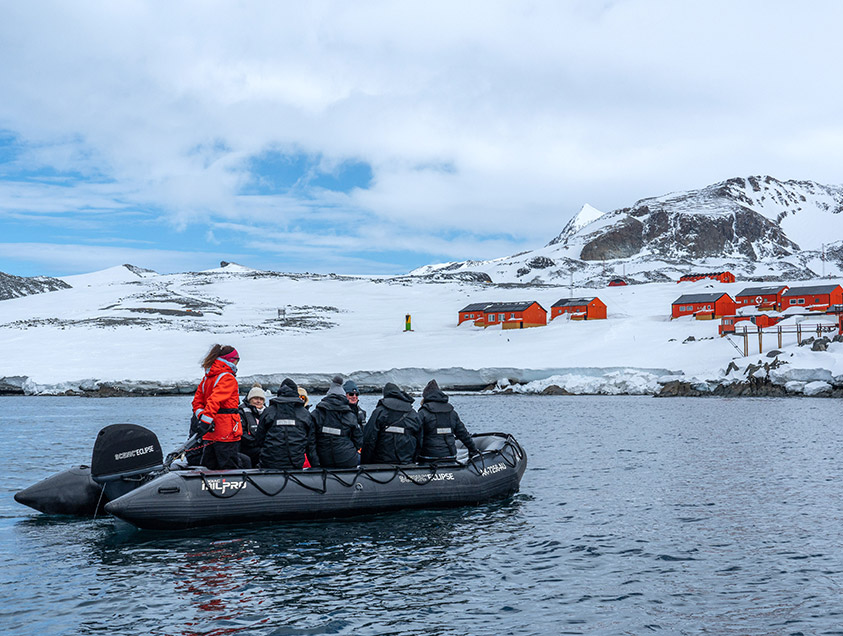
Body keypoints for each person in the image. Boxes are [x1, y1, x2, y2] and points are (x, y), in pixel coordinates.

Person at [191, 344, 243, 470]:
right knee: (229, 465)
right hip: (226, 430)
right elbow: (215, 400)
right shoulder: (227, 378)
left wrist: (203, 419)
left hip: (210, 433)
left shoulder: (207, 379)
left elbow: (197, 403)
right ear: (232, 360)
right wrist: (206, 420)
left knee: (209, 464)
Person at [254, 378, 319, 470]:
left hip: (270, 463)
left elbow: (259, 440)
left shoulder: (268, 412)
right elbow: (311, 444)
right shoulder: (305, 414)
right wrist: (317, 468)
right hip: (296, 464)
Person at [417, 379, 480, 462]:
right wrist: (473, 450)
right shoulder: (452, 413)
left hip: (428, 457)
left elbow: (416, 437)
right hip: (450, 456)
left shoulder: (423, 413)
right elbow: (463, 434)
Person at [362, 382, 423, 465]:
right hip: (406, 463)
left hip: (381, 464)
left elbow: (369, 439)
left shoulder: (380, 412)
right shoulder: (413, 414)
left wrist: (366, 463)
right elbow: (419, 439)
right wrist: (414, 460)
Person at [311, 376, 363, 468]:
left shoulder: (317, 413)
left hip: (324, 460)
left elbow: (311, 441)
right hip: (347, 459)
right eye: (351, 394)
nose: (354, 396)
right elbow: (358, 440)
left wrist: (316, 464)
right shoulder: (350, 415)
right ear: (343, 396)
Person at [238, 383, 267, 467]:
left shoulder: (267, 412)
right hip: (247, 447)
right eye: (255, 398)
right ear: (250, 399)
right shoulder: (241, 412)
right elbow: (241, 432)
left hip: (263, 446)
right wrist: (256, 442)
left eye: (261, 399)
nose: (258, 401)